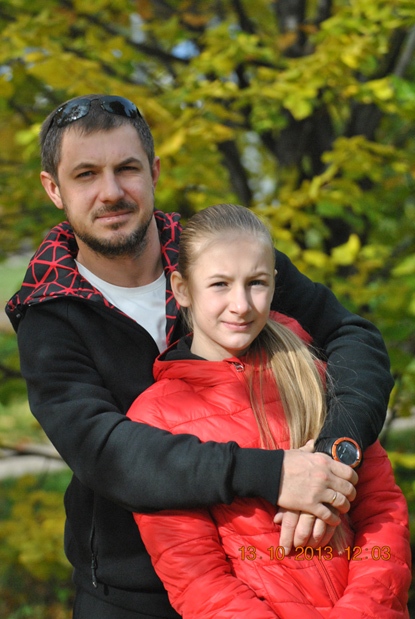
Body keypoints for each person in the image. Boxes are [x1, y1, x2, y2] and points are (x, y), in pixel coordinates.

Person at [5, 94, 393, 618]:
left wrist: (335, 450)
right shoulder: (50, 313)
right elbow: (106, 451)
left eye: (127, 169)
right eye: (86, 175)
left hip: (288, 579)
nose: (111, 191)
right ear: (54, 189)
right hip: (133, 595)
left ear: (154, 171)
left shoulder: (224, 258)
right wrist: (274, 473)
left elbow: (352, 336)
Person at [128, 203, 411, 619]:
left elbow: (382, 513)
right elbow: (198, 580)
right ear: (183, 289)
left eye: (256, 283)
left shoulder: (315, 372)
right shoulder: (156, 418)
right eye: (220, 284)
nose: (241, 304)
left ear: (276, 284)